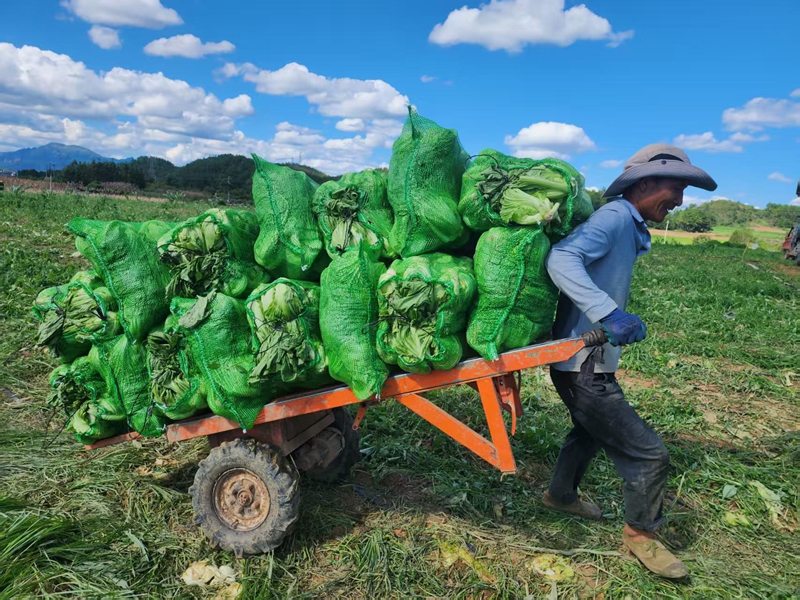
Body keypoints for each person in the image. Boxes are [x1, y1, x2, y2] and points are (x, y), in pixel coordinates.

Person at [542, 143, 717, 579]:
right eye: (676, 189)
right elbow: (561, 257)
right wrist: (608, 313)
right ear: (645, 183)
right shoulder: (616, 217)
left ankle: (560, 496)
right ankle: (641, 535)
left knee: (588, 432)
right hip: (583, 362)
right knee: (649, 454)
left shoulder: (627, 221)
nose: (680, 201)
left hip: (586, 360)